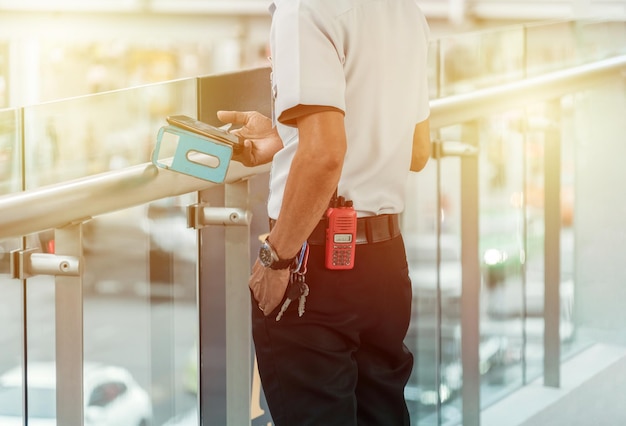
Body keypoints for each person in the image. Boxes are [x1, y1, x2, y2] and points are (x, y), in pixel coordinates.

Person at [217, 0, 431, 424]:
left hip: (313, 267)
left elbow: (326, 153)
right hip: (385, 262)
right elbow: (417, 151)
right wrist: (289, 134)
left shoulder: (302, 9)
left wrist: (274, 258)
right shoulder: (405, 11)